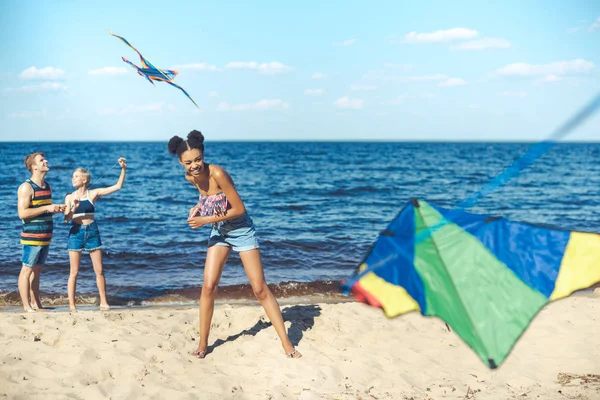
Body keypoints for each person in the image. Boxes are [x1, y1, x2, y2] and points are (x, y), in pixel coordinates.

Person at [168, 130, 302, 359]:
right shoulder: (190, 178)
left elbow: (239, 208)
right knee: (208, 286)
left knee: (259, 288)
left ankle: (287, 343)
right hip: (219, 231)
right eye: (188, 162)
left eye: (198, 159)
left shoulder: (218, 173)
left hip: (241, 230)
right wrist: (199, 207)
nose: (194, 166)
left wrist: (204, 219)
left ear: (203, 155)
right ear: (180, 162)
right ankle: (203, 344)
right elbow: (208, 198)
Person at [63, 157, 127, 312]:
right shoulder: (70, 197)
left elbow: (117, 186)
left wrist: (123, 169)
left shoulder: (93, 194)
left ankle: (103, 302)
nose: (73, 178)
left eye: (76, 176)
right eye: (73, 176)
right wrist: (73, 207)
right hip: (76, 232)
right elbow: (66, 219)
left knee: (99, 271)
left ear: (84, 180)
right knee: (74, 272)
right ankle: (72, 305)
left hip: (92, 231)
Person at [17, 152, 66, 312]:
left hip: (45, 237)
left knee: (36, 272)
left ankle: (36, 304)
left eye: (45, 158)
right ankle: (26, 306)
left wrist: (56, 209)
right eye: (41, 160)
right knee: (27, 270)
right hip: (31, 238)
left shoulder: (48, 186)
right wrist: (46, 207)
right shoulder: (27, 187)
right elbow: (22, 213)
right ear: (34, 167)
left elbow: (43, 210)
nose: (46, 161)